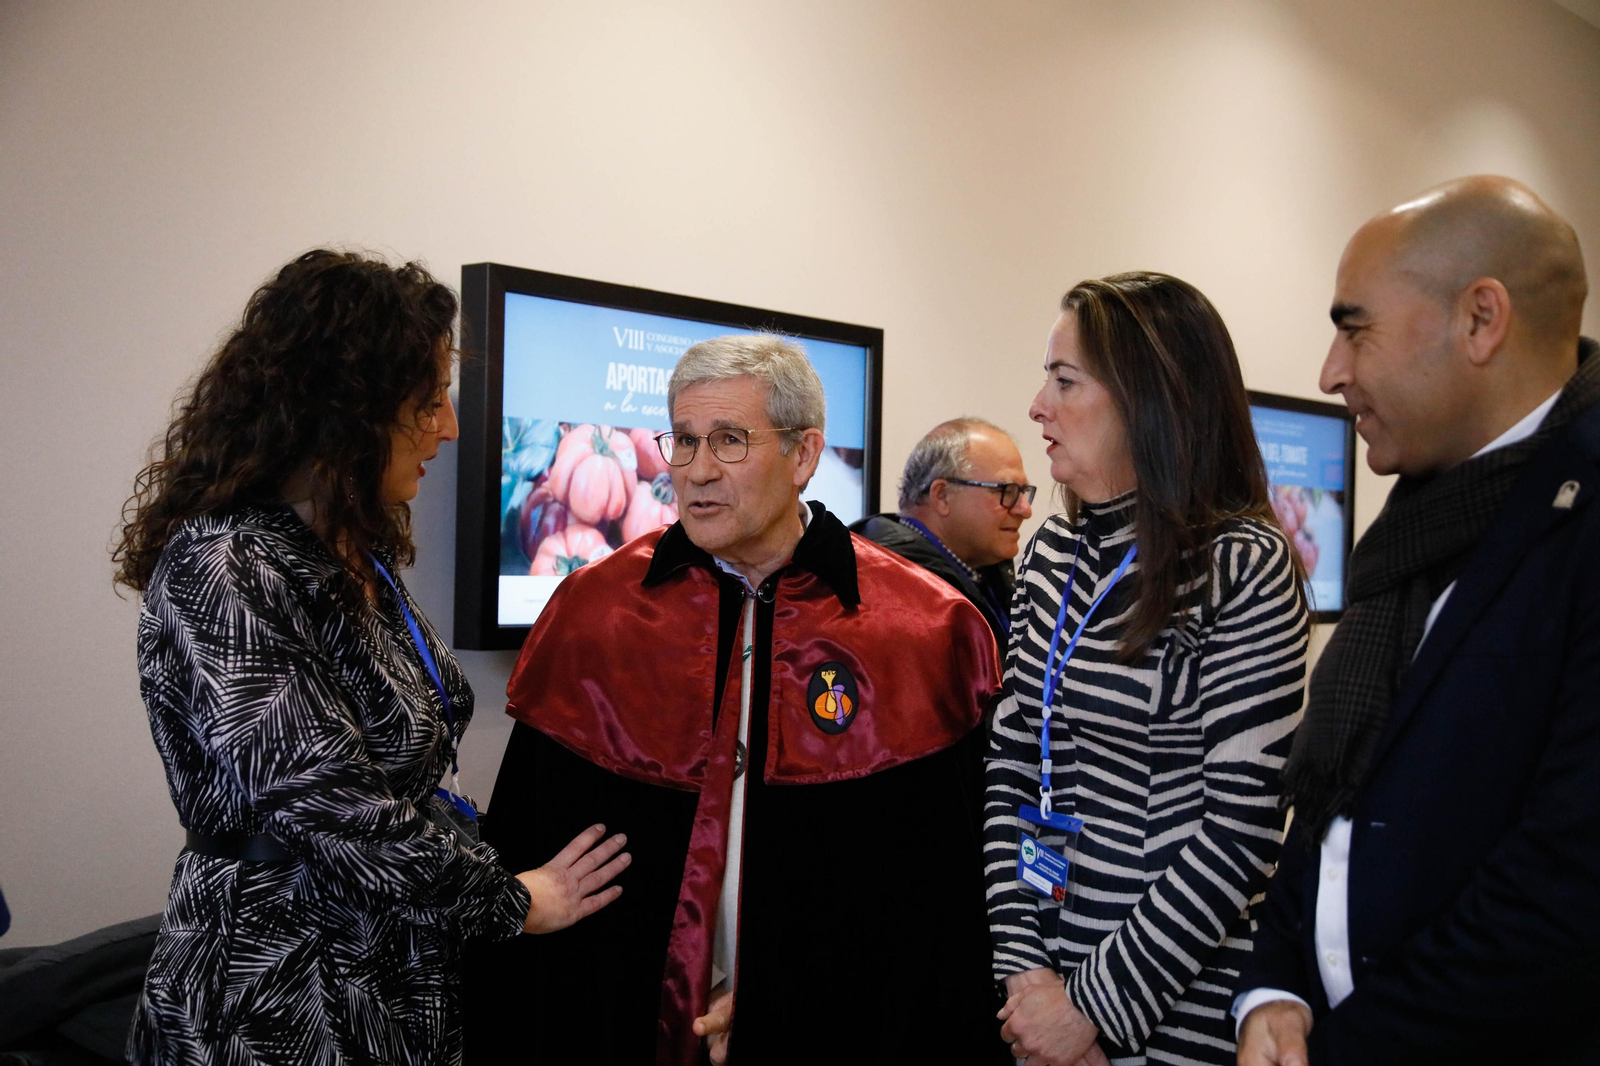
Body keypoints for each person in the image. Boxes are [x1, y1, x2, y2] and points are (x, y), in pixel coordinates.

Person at [113, 250, 628, 1065]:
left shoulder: (352, 555)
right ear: (340, 412)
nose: (449, 428)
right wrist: (515, 904)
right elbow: (333, 811)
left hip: (395, 974)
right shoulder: (224, 566)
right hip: (281, 997)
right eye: (426, 405)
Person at [466, 334, 1008, 1065]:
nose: (696, 472)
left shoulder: (924, 631)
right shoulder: (596, 615)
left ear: (805, 454)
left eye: (728, 441)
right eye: (683, 442)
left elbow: (935, 909)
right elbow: (532, 853)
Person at [1235, 177, 1600, 1065]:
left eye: (1354, 327)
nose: (1331, 372)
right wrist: (1274, 987)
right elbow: (1336, 802)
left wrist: (1347, 1049)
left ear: (1482, 320)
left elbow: (1566, 886)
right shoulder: (1418, 526)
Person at [985, 272, 1311, 1065]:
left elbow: (1243, 830)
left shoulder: (1242, 563)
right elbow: (1009, 766)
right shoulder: (1051, 554)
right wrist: (1025, 974)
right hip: (1038, 999)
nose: (1036, 406)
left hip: (1172, 1013)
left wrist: (1092, 1009)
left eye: (1065, 381)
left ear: (1149, 398)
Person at [850, 417, 1035, 643]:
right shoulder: (892, 593)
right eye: (1007, 491)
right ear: (942, 496)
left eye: (1023, 491)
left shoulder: (983, 568)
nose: (1025, 509)